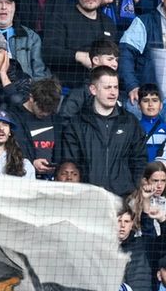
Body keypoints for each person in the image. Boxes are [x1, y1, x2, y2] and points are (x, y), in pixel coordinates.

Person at [56, 65, 146, 196]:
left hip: (123, 199)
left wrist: (135, 192)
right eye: (107, 88)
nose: (113, 92)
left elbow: (139, 161)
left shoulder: (130, 122)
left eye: (115, 87)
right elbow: (71, 164)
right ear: (93, 89)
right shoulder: (77, 124)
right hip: (87, 199)